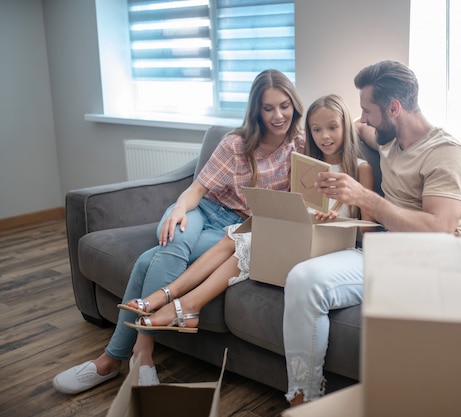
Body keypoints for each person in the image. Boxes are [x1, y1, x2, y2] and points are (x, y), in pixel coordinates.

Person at [52, 69, 305, 394]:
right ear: (256, 109)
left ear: (294, 105)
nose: (277, 115)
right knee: (174, 240)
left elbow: (340, 130)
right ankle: (139, 357)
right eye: (268, 107)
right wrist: (180, 209)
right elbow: (197, 189)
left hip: (235, 229)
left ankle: (118, 358)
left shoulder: (300, 146)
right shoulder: (236, 144)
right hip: (202, 211)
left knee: (147, 262)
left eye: (284, 105)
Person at [283, 60, 461, 407]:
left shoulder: (446, 154)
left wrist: (364, 199)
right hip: (388, 251)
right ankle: (304, 398)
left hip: (442, 261)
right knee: (302, 278)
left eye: (368, 110)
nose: (364, 119)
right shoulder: (389, 138)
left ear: (394, 108)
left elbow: (440, 229)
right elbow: (353, 128)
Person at [120, 93, 375, 338]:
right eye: (316, 130)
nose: (325, 136)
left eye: (332, 127)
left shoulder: (361, 169)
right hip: (299, 235)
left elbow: (366, 233)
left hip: (328, 246)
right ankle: (172, 297)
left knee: (251, 240)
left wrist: (344, 211)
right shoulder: (305, 161)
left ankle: (179, 302)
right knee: (238, 237)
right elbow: (299, 209)